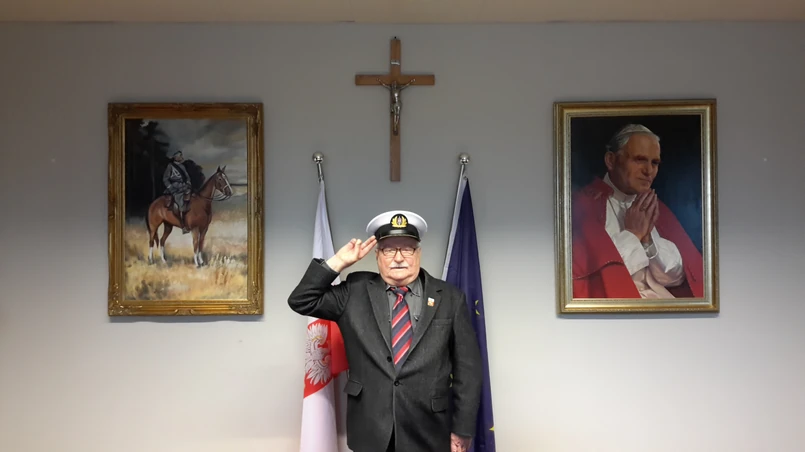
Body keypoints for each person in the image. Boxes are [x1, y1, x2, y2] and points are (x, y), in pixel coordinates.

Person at [288, 210, 482, 452]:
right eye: (389, 250)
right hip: (371, 429)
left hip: (430, 430)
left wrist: (462, 429)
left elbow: (468, 370)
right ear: (377, 255)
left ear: (418, 253)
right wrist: (338, 262)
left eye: (407, 249)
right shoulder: (354, 291)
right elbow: (301, 300)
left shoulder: (450, 298)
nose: (398, 258)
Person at [571, 124, 704, 299]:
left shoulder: (655, 208)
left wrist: (648, 242)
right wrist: (633, 234)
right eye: (639, 160)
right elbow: (594, 279)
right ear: (611, 160)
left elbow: (678, 277)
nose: (648, 171)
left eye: (654, 163)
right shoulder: (582, 205)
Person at [162, 150, 192, 233]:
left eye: (181, 156)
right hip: (175, 187)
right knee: (180, 202)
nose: (182, 157)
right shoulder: (170, 166)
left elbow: (187, 177)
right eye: (180, 156)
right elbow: (165, 179)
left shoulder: (182, 166)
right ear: (176, 157)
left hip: (183, 186)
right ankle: (183, 226)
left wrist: (188, 183)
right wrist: (171, 188)